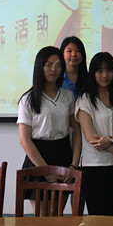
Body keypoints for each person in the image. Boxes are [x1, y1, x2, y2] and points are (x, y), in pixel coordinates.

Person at [17, 46, 81, 207]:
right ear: (40, 67)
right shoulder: (28, 99)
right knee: (41, 219)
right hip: (38, 158)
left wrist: (74, 165)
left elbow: (76, 132)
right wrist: (45, 170)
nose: (54, 69)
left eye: (58, 65)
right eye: (49, 65)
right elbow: (24, 140)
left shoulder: (67, 96)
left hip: (62, 154)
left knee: (58, 216)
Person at [75, 52, 113, 216]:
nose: (104, 75)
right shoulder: (85, 99)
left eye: (108, 70)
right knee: (98, 219)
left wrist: (111, 139)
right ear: (93, 73)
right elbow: (91, 137)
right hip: (94, 167)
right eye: (99, 71)